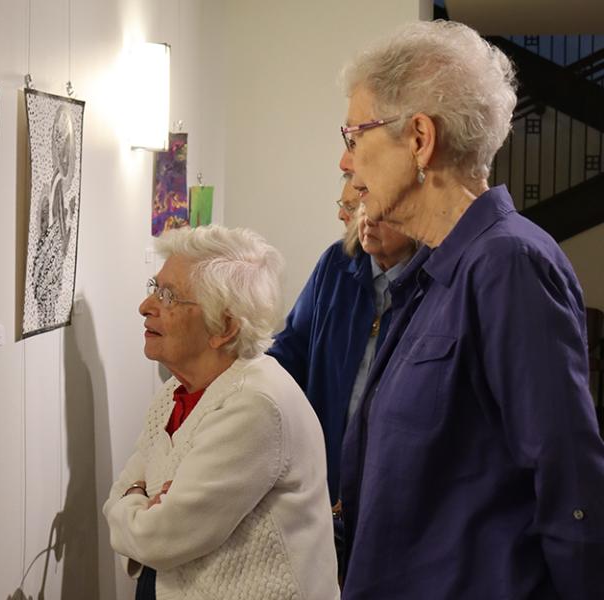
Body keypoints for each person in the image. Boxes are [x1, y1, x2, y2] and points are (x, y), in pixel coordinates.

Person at [337, 20, 604, 599]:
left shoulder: (507, 263)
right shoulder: (434, 273)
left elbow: (569, 482)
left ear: (419, 140)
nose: (345, 162)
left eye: (354, 136)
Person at [104, 225, 339, 600]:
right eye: (154, 287)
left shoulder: (255, 404)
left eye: (168, 296)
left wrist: (136, 501)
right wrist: (141, 498)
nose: (146, 306)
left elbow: (160, 536)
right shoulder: (177, 391)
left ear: (224, 327)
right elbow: (130, 488)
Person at [268, 178, 417, 513]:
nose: (367, 218)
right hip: (323, 476)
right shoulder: (336, 264)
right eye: (362, 206)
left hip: (394, 487)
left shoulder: (435, 283)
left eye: (383, 210)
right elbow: (291, 351)